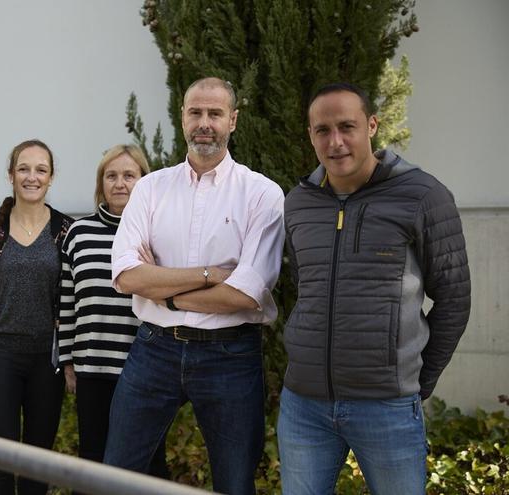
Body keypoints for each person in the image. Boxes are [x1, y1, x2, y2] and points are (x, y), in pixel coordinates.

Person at [278, 82, 471, 495]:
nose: (336, 142)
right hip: (303, 406)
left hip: (387, 406)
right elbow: (305, 287)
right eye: (322, 130)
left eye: (347, 126)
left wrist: (417, 381)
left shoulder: (423, 196)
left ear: (371, 125)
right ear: (310, 135)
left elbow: (454, 298)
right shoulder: (298, 202)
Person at [103, 77, 285, 495]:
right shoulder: (150, 188)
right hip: (153, 349)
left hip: (230, 355)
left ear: (233, 121)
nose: (204, 123)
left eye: (215, 114)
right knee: (116, 475)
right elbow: (127, 275)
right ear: (182, 117)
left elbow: (244, 294)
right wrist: (210, 274)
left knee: (235, 482)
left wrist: (161, 291)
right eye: (195, 113)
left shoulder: (262, 194)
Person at [0, 139, 74, 495]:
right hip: (1, 358)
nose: (32, 177)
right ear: (11, 175)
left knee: (38, 464)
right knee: (0, 463)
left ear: (51, 177)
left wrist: (71, 361)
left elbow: (75, 302)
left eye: (41, 169)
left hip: (47, 361)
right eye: (24, 168)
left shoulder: (67, 233)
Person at [58, 144, 169, 479]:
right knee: (93, 458)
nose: (120, 183)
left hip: (145, 368)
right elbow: (67, 302)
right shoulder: (78, 233)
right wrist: (67, 360)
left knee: (149, 462)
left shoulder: (159, 233)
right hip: (92, 367)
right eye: (112, 176)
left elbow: (170, 298)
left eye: (129, 175)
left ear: (144, 181)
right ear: (101, 183)